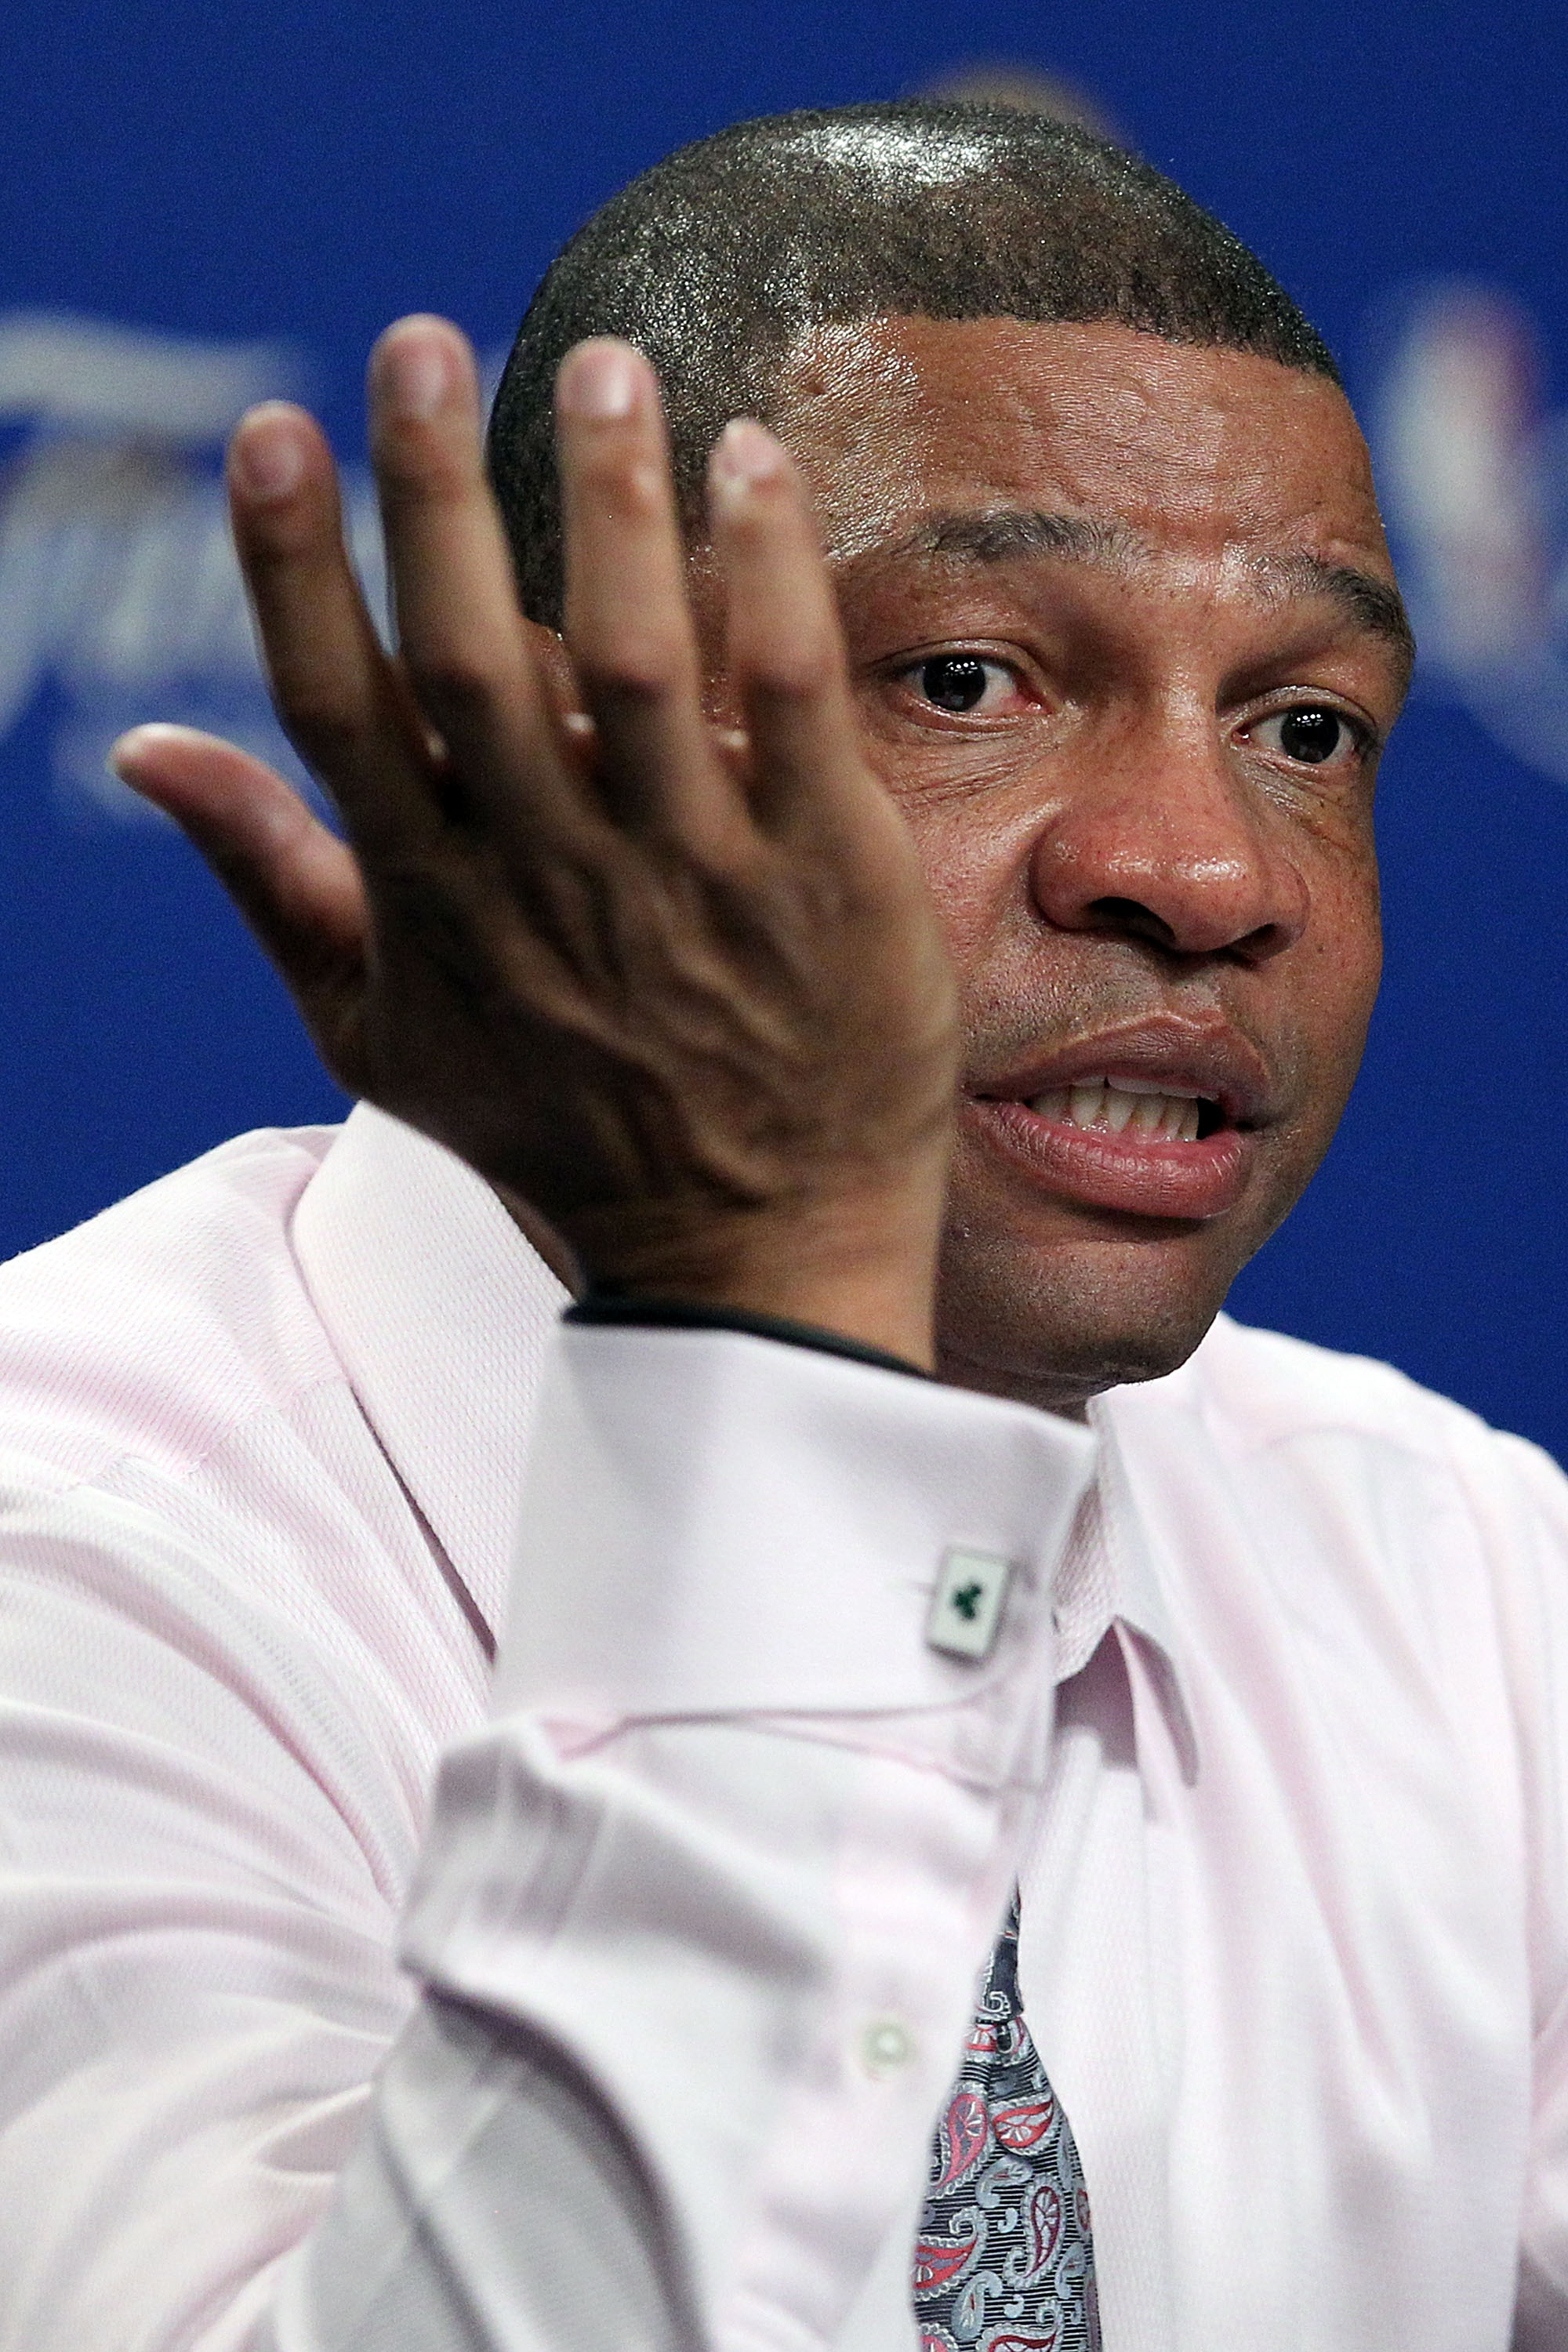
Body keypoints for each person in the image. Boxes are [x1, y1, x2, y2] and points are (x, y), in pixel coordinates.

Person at [1, 98, 1564, 2352]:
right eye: (968, 681)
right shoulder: (71, 1562)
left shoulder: (1456, 1579)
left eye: (1307, 727)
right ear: (536, 772)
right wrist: (775, 1351)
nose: (1208, 872)